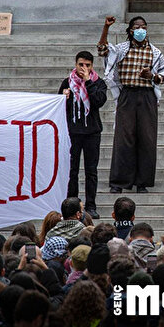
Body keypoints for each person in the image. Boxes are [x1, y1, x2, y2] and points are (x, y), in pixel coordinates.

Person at [98, 13, 164, 194]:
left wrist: (151, 76)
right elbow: (102, 50)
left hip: (147, 97)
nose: (141, 30)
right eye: (137, 27)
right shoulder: (122, 49)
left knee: (146, 138)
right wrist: (106, 28)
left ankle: (142, 182)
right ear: (130, 31)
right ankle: (119, 181)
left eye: (144, 27)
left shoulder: (155, 52)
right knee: (124, 138)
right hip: (127, 95)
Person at [58, 50, 108, 219]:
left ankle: (91, 205)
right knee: (72, 170)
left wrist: (88, 82)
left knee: (91, 170)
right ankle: (71, 204)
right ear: (75, 64)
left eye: (87, 65)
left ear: (92, 66)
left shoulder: (98, 83)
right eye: (81, 65)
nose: (83, 68)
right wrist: (63, 98)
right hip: (73, 133)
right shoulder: (67, 82)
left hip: (92, 132)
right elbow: (58, 108)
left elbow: (98, 101)